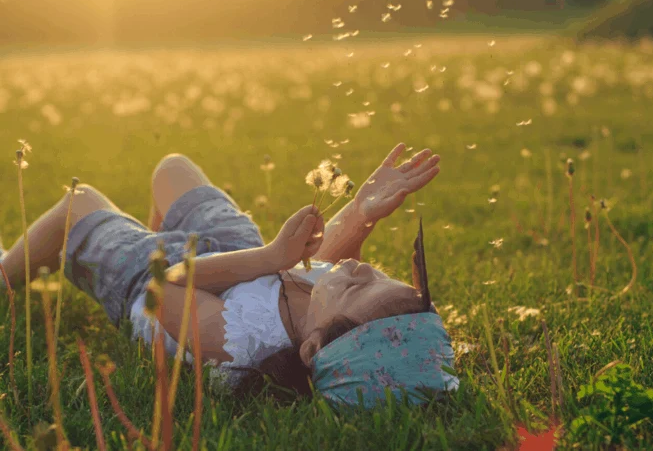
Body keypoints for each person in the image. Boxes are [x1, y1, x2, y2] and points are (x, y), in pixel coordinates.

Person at [0, 142, 458, 406]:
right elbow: (329, 267)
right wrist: (360, 212)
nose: (361, 266)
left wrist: (273, 257)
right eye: (379, 274)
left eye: (360, 284)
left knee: (79, 204)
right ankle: (147, 234)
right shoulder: (328, 312)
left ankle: (4, 274)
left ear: (314, 346)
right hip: (241, 253)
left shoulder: (237, 343)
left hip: (151, 281)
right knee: (172, 168)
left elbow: (170, 283)